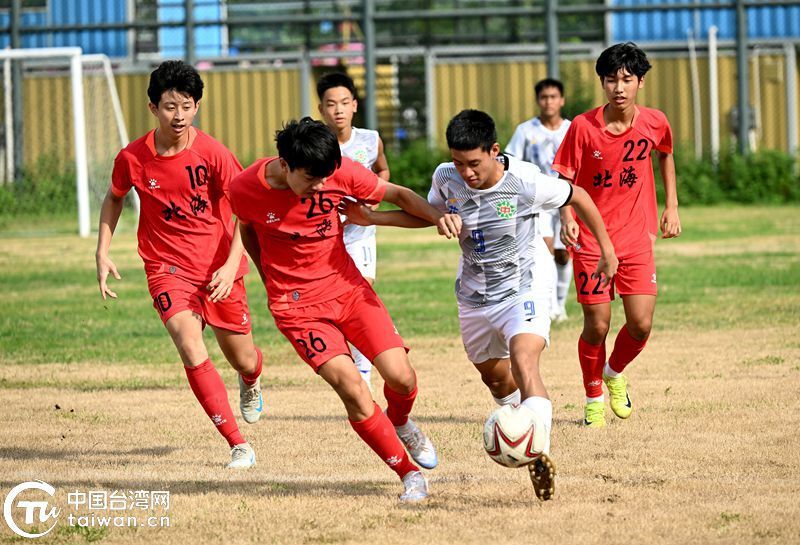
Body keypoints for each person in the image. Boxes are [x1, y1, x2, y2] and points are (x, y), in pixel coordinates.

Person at [341, 109, 618, 501]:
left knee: (525, 361)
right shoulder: (446, 177)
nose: (466, 172)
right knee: (497, 380)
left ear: (494, 151)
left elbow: (580, 196)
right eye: (458, 162)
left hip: (522, 288)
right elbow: (427, 213)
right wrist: (377, 217)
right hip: (473, 296)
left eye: (473, 163)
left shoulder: (524, 181)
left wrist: (606, 248)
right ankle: (517, 428)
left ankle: (537, 447)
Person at [229, 117, 461, 501]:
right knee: (353, 388)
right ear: (284, 165)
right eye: (312, 179)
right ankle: (409, 474)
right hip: (296, 307)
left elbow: (399, 194)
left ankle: (401, 421)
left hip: (347, 288)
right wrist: (268, 277)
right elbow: (248, 228)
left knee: (401, 377)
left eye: (326, 178)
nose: (322, 186)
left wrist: (439, 217)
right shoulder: (244, 188)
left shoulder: (338, 170)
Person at [95, 60, 264, 469]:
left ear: (197, 106)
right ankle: (238, 444)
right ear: (153, 108)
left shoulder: (214, 154)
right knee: (189, 344)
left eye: (187, 106)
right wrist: (102, 249)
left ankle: (252, 380)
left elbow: (246, 211)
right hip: (166, 268)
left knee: (242, 358)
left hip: (219, 268)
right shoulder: (132, 157)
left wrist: (229, 264)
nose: (180, 115)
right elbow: (115, 197)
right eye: (171, 107)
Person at [552, 42, 681, 428]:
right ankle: (593, 397)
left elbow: (666, 153)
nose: (619, 87)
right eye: (611, 80)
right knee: (598, 324)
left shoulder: (655, 121)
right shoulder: (582, 126)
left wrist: (671, 205)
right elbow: (563, 178)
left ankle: (613, 371)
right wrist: (566, 215)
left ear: (641, 81)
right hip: (592, 240)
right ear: (603, 84)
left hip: (637, 237)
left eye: (627, 79)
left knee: (641, 324)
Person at [316, 72, 391, 389]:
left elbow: (383, 169)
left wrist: (372, 204)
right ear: (321, 109)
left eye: (344, 103)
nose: (338, 110)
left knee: (359, 297)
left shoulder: (370, 140)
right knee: (331, 307)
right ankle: (343, 363)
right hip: (323, 239)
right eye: (331, 104)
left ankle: (362, 373)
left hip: (360, 235)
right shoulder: (314, 144)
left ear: (355, 105)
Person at [505, 78, 573, 322]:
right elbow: (511, 160)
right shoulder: (526, 130)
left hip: (566, 198)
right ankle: (551, 305)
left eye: (553, 97)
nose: (549, 102)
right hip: (538, 201)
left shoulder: (572, 129)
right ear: (538, 101)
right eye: (544, 97)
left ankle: (561, 304)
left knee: (564, 253)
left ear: (561, 100)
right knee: (546, 251)